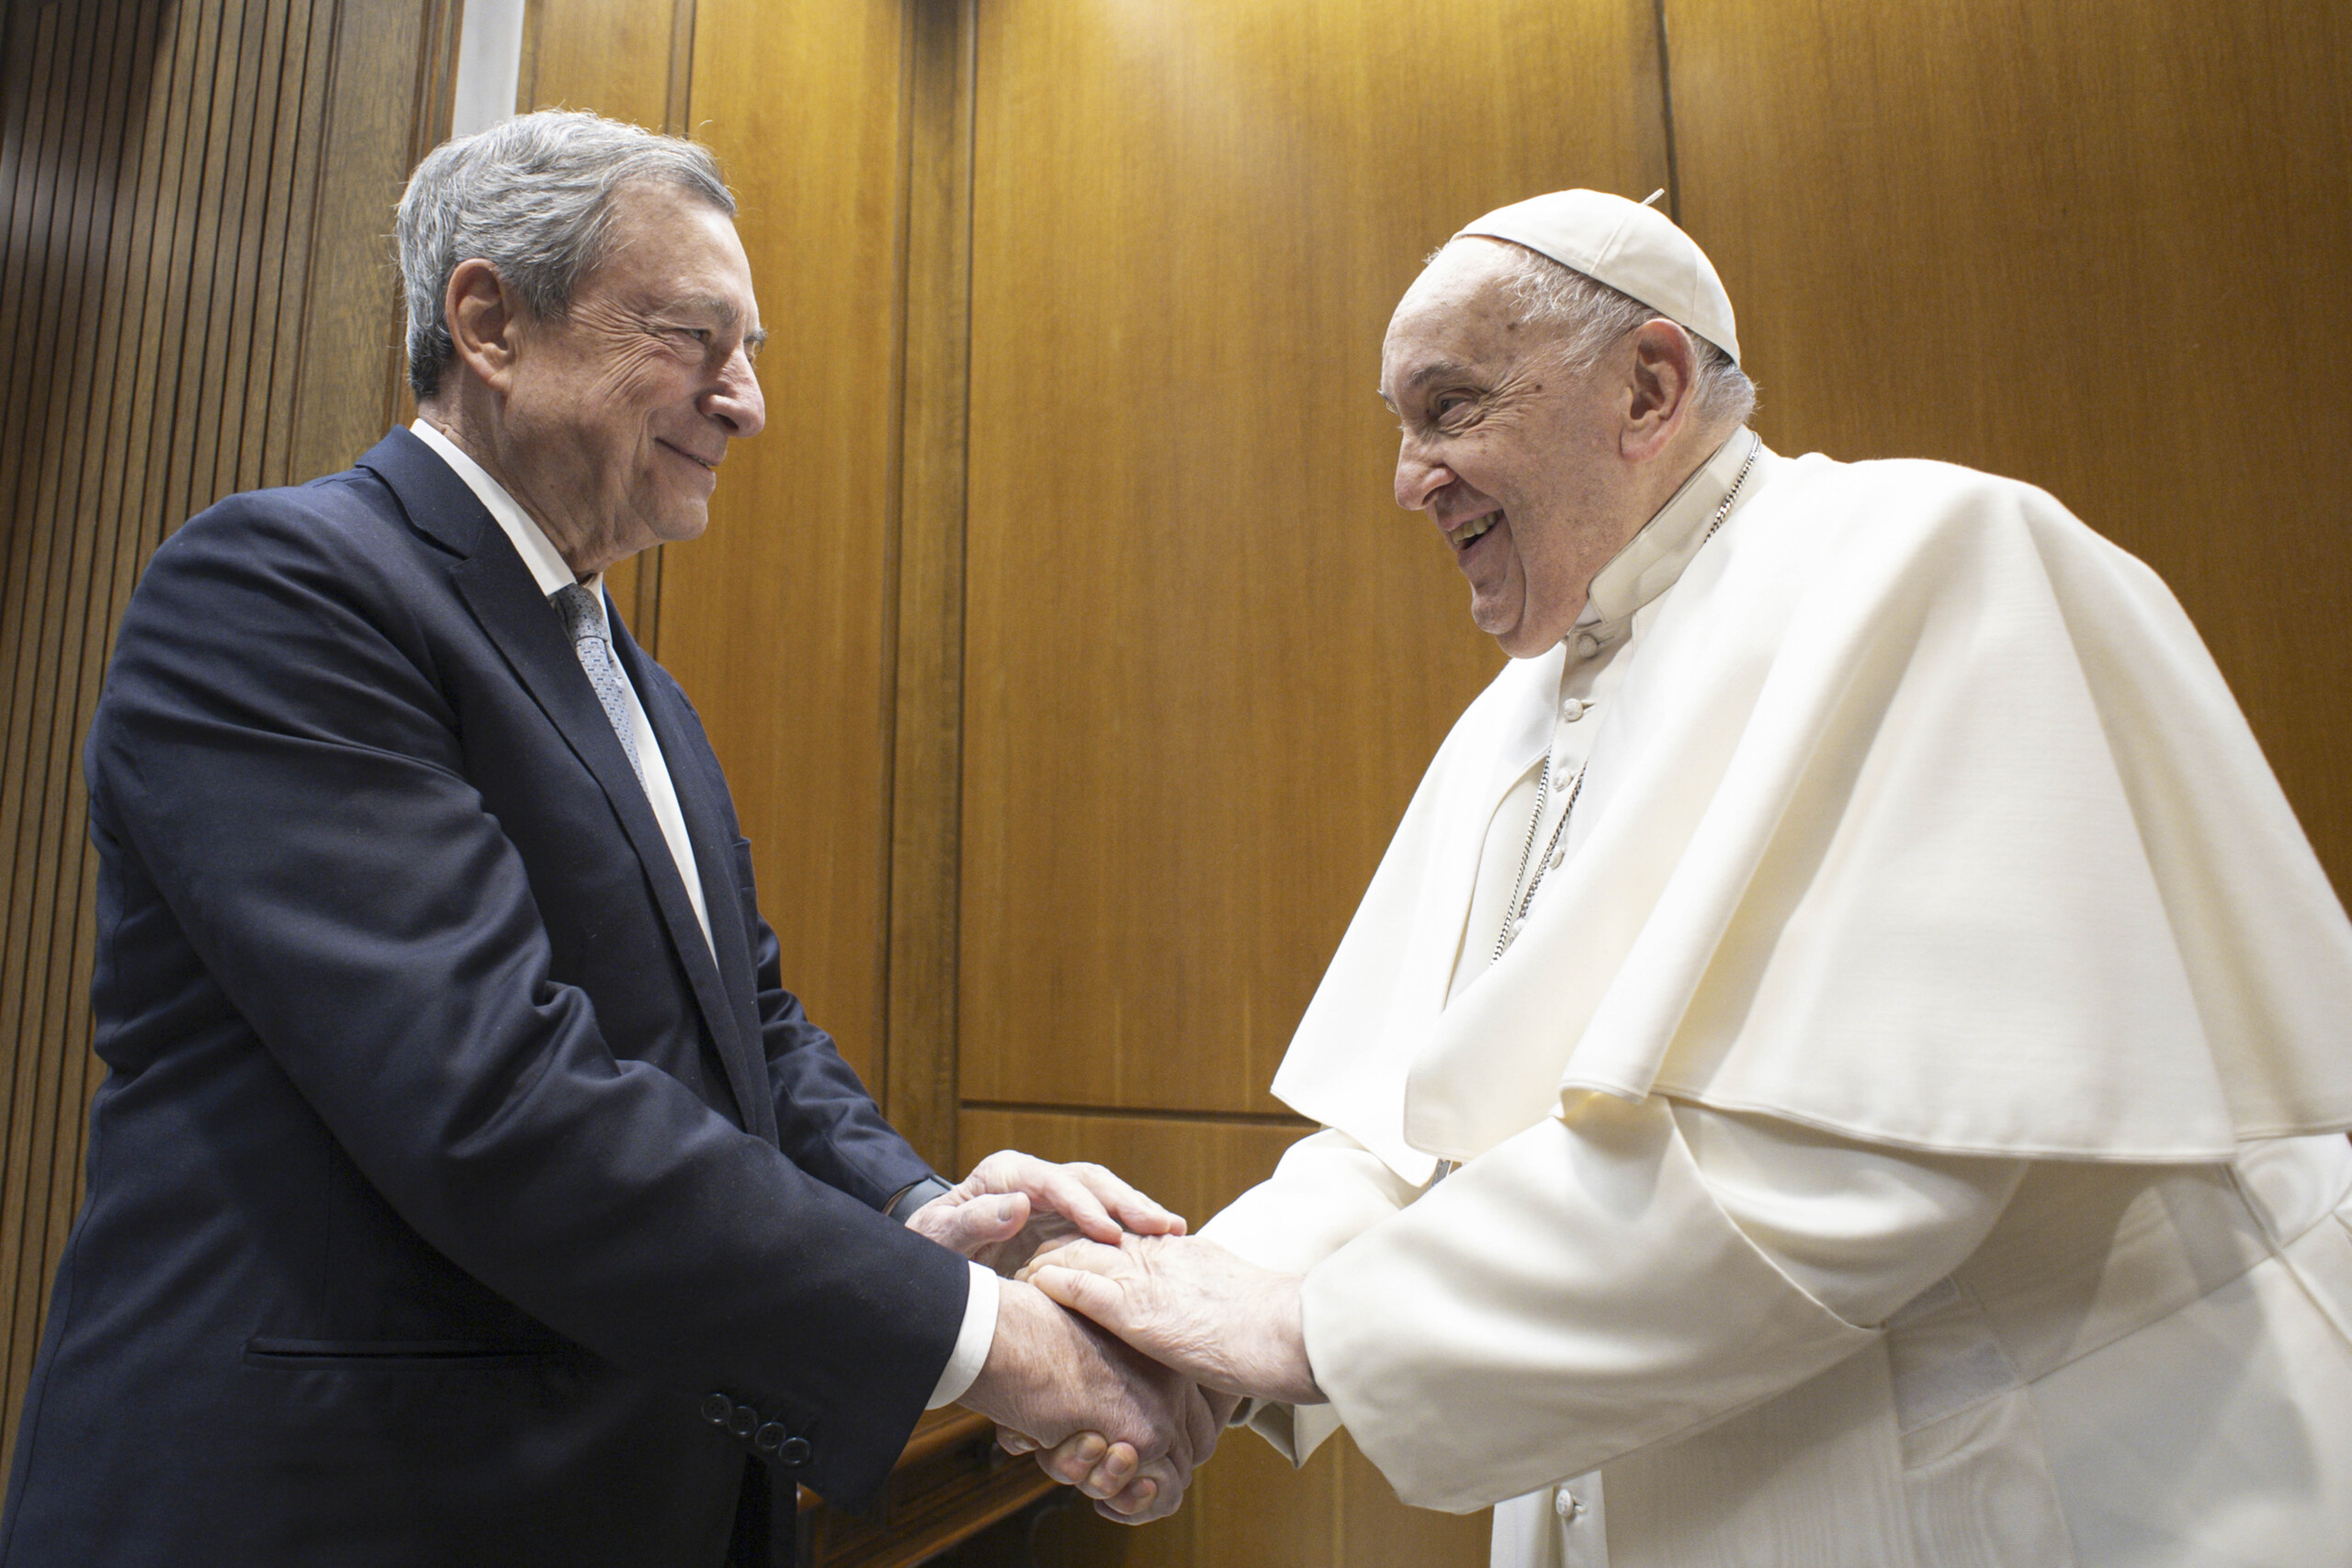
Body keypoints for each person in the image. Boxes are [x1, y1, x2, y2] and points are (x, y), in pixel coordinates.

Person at [1016, 189, 2352, 1566]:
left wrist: (1300, 1332)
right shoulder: (1513, 724)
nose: (1409, 477)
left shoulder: (1928, 559)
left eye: (1450, 407)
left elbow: (1850, 1168)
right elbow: (1408, 1149)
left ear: (1648, 385)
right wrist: (1185, 1335)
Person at [0, 111, 1216, 1567]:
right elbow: (492, 1098)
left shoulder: (639, 682)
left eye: (752, 348)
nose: (748, 401)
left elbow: (747, 1033)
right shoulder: (281, 591)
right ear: (491, 319)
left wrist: (920, 1205)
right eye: (698, 339)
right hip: (344, 1507)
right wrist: (991, 1340)